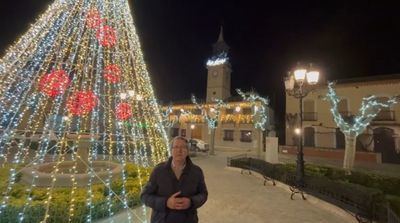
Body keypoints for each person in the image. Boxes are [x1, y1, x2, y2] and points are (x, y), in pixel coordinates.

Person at [140, 136, 208, 223]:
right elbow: (144, 196)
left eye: (183, 147)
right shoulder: (159, 171)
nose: (179, 150)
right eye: (176, 147)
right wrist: (165, 202)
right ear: (171, 150)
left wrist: (191, 202)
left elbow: (203, 194)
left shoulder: (196, 172)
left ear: (187, 151)